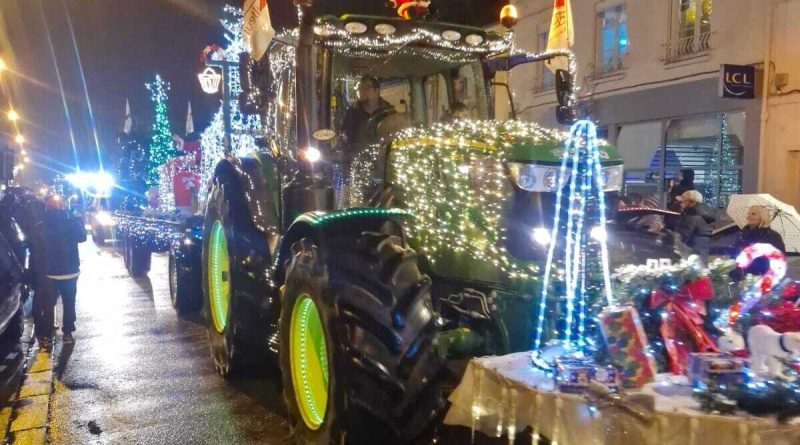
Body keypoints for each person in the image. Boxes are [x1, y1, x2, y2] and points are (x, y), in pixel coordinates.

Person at [42, 194, 86, 343]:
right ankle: (67, 332)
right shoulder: (71, 223)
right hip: (70, 270)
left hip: (50, 271)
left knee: (48, 304)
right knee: (69, 302)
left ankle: (47, 334)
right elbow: (82, 237)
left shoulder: (42, 224)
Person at [341, 75, 394, 153]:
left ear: (377, 90)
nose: (361, 91)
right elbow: (345, 138)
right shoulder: (352, 113)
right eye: (359, 88)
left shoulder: (388, 112)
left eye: (366, 88)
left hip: (383, 159)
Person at [731, 205, 785, 276]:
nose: (749, 216)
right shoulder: (743, 233)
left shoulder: (773, 236)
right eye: (748, 214)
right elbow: (735, 252)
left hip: (763, 276)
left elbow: (780, 257)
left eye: (753, 214)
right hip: (741, 275)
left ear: (762, 217)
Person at [672, 190, 715, 262]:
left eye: (683, 202)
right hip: (701, 256)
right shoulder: (705, 217)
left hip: (690, 258)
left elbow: (681, 238)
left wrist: (664, 230)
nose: (680, 204)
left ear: (691, 203)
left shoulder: (690, 217)